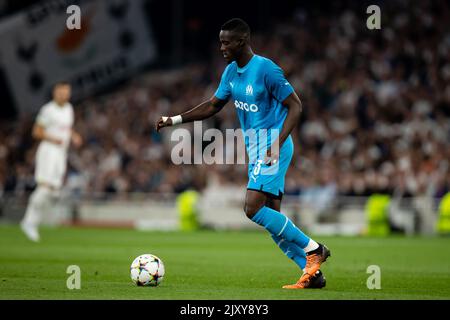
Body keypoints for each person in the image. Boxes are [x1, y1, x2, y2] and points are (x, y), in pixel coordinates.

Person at [156, 18, 330, 289]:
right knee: (272, 216)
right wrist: (175, 120)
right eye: (220, 42)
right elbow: (213, 105)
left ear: (242, 41)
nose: (222, 47)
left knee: (252, 208)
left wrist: (277, 142)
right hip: (256, 147)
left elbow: (295, 106)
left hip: (274, 144)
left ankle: (314, 248)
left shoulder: (266, 69)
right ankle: (312, 275)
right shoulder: (230, 72)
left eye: (226, 42)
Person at [20, 82, 82, 242]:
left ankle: (37, 219)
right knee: (45, 187)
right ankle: (29, 222)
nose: (64, 94)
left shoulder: (69, 109)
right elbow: (37, 132)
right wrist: (53, 138)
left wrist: (74, 136)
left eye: (67, 91)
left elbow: (66, 128)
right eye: (61, 91)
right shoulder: (48, 110)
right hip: (49, 150)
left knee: (54, 189)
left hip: (61, 153)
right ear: (55, 92)